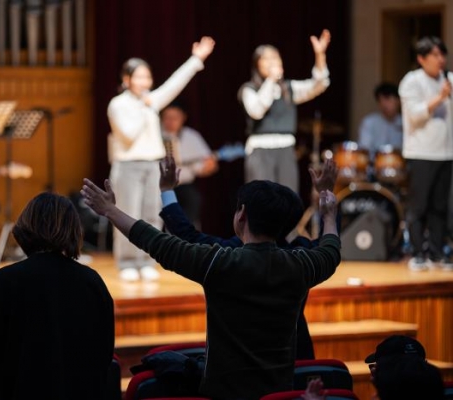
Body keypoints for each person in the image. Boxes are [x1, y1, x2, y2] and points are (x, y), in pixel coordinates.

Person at [82, 177, 341, 399]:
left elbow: (157, 242)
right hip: (279, 390)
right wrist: (329, 214)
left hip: (224, 393)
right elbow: (331, 250)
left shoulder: (221, 262)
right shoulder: (300, 265)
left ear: (241, 215)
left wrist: (110, 210)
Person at [158, 156, 338, 360]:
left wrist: (167, 190)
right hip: (294, 359)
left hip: (237, 363)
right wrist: (327, 194)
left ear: (241, 214)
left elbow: (186, 234)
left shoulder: (226, 256)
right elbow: (329, 243)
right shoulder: (300, 256)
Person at [0, 192, 115, 400]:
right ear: (74, 230)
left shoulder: (3, 282)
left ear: (26, 226)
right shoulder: (92, 283)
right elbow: (104, 355)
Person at [107, 36, 215, 282]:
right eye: (139, 77)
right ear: (127, 80)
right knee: (129, 213)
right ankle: (127, 262)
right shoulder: (119, 104)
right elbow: (128, 135)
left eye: (148, 77)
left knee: (152, 214)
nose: (145, 81)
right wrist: (146, 109)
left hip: (152, 164)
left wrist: (196, 59)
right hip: (128, 165)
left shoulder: (150, 101)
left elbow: (174, 84)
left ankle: (146, 260)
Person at [238, 29, 331, 194]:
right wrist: (271, 80)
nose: (272, 62)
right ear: (257, 64)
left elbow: (318, 85)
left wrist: (320, 56)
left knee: (287, 199)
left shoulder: (288, 88)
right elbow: (257, 111)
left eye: (275, 57)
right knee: (262, 200)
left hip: (286, 150)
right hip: (260, 151)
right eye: (266, 59)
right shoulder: (249, 89)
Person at [398, 36, 453, 271]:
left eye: (443, 54)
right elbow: (415, 115)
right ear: (421, 58)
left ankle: (438, 252)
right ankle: (418, 253)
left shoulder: (449, 79)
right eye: (435, 55)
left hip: (446, 152)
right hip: (420, 151)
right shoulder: (411, 82)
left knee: (440, 207)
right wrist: (440, 97)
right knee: (418, 206)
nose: (441, 60)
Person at [160, 101, 218, 228]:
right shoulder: (155, 135)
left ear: (183, 118)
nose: (170, 122)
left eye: (175, 118)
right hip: (159, 187)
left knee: (193, 199)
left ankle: (190, 238)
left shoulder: (191, 136)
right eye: (167, 118)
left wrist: (209, 166)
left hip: (183, 185)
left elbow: (204, 166)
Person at [358, 82, 403, 162]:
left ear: (398, 100)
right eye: (380, 100)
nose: (384, 104)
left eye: (387, 99)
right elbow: (365, 149)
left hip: (400, 166)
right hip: (374, 167)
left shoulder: (405, 123)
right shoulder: (369, 122)